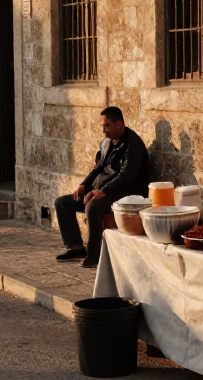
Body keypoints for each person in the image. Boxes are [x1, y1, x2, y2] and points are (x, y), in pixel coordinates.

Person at [55, 106, 150, 268]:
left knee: (93, 207)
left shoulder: (133, 144)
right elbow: (98, 168)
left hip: (127, 192)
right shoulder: (107, 143)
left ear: (119, 124)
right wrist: (84, 186)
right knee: (62, 202)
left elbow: (126, 177)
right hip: (104, 189)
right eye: (102, 126)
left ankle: (94, 256)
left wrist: (102, 191)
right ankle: (76, 247)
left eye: (107, 126)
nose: (104, 131)